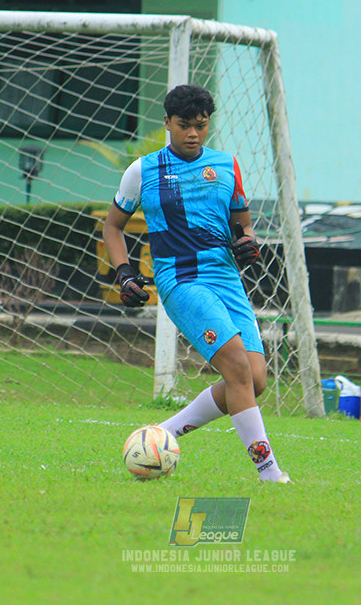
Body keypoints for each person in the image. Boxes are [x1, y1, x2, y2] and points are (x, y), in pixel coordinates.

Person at [102, 84, 290, 484]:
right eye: (184, 125)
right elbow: (112, 227)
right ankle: (269, 471)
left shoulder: (226, 165)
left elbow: (243, 224)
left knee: (255, 380)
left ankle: (164, 433)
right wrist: (124, 272)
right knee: (238, 368)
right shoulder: (143, 170)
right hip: (182, 281)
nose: (192, 134)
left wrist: (248, 244)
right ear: (167, 122)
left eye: (200, 126)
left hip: (226, 279)